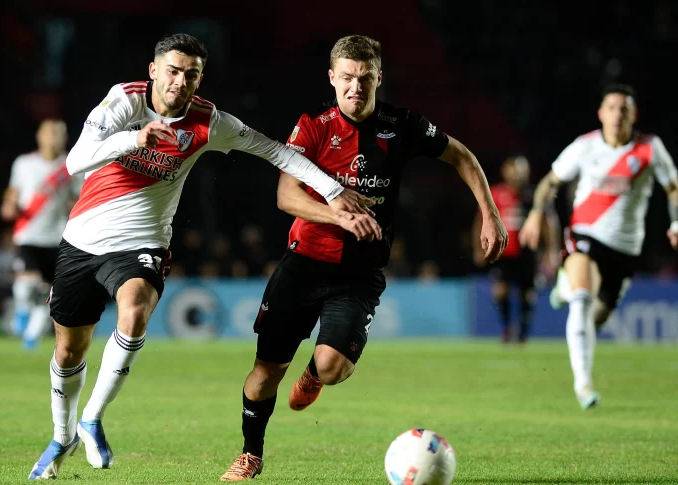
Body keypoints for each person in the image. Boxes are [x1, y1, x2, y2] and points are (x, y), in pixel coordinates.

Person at [28, 33, 375, 480]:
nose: (180, 81)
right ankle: (62, 435)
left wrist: (332, 190)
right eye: (172, 70)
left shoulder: (209, 121)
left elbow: (274, 150)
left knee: (133, 311)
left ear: (199, 78)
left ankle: (92, 419)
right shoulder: (123, 103)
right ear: (154, 70)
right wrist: (134, 138)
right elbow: (77, 161)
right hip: (83, 240)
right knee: (68, 349)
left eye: (191, 73)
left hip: (144, 242)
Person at [221, 34, 508, 481]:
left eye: (364, 78)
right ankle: (250, 454)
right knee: (265, 372)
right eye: (347, 79)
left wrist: (489, 213)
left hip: (358, 275)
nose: (355, 88)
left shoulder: (403, 125)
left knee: (334, 367)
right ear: (332, 79)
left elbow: (463, 157)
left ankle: (314, 375)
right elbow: (285, 195)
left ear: (378, 78)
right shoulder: (313, 127)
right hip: (302, 267)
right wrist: (337, 213)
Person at [519, 83, 678, 410]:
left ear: (634, 115)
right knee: (582, 300)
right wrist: (536, 212)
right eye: (612, 107)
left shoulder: (650, 148)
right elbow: (550, 181)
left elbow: (673, 188)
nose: (618, 114)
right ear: (601, 113)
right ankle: (584, 384)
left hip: (626, 248)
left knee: (597, 318)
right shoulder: (584, 147)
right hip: (585, 235)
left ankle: (564, 287)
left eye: (624, 109)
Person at [0, 119, 80, 350]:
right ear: (40, 136)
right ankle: (23, 309)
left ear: (65, 138)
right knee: (26, 284)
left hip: (57, 237)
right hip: (28, 234)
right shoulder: (24, 163)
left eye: (59, 133)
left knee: (48, 292)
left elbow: (78, 198)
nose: (54, 137)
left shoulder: (71, 166)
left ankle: (31, 338)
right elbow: (14, 190)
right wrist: (9, 203)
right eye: (50, 133)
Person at [473, 155, 560, 343]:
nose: (518, 174)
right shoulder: (494, 194)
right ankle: (506, 328)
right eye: (514, 170)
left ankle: (523, 335)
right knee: (500, 291)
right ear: (505, 172)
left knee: (527, 294)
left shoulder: (535, 195)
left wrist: (551, 252)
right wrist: (478, 247)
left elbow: (548, 223)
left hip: (528, 252)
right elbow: (480, 220)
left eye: (522, 170)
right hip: (502, 253)